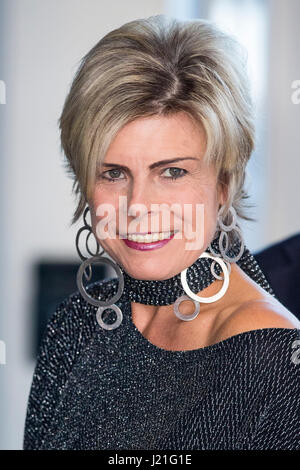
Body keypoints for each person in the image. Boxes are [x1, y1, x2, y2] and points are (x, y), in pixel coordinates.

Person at [23, 14, 300, 450]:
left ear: (224, 183)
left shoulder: (279, 360)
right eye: (113, 173)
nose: (138, 208)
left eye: (172, 172)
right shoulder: (74, 327)